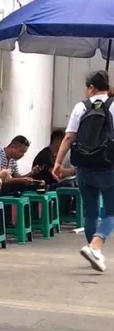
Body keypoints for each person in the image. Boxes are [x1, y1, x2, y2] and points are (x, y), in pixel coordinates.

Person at [52, 69, 114, 273]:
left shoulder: (81, 106)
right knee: (112, 211)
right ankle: (95, 246)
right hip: (108, 166)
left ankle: (93, 252)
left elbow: (68, 137)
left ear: (91, 88)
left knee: (91, 212)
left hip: (84, 168)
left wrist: (58, 162)